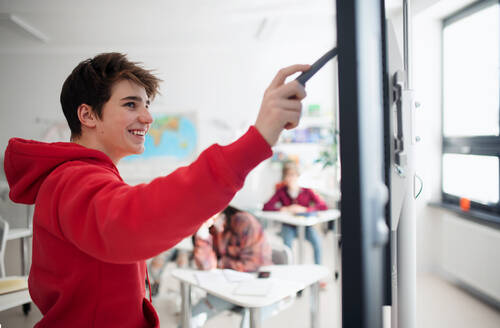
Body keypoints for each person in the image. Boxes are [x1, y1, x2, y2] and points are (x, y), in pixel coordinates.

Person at [3, 52, 309, 327]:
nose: (148, 118)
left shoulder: (85, 176)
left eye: (146, 105)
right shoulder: (72, 179)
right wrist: (255, 141)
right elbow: (135, 221)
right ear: (88, 116)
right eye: (131, 104)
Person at [190, 206, 274, 328]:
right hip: (227, 287)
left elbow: (254, 263)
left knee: (247, 322)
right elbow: (207, 266)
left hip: (257, 286)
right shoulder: (210, 228)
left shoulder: (244, 221)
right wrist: (202, 235)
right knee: (191, 318)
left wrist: (219, 264)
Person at [262, 161, 327, 265]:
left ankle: (318, 270)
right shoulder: (281, 192)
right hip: (288, 226)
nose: (290, 178)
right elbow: (266, 207)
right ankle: (290, 270)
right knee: (287, 247)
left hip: (305, 226)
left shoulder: (307, 191)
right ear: (284, 178)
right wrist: (284, 209)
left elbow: (323, 206)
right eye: (287, 175)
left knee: (317, 242)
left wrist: (305, 209)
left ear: (297, 176)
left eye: (293, 175)